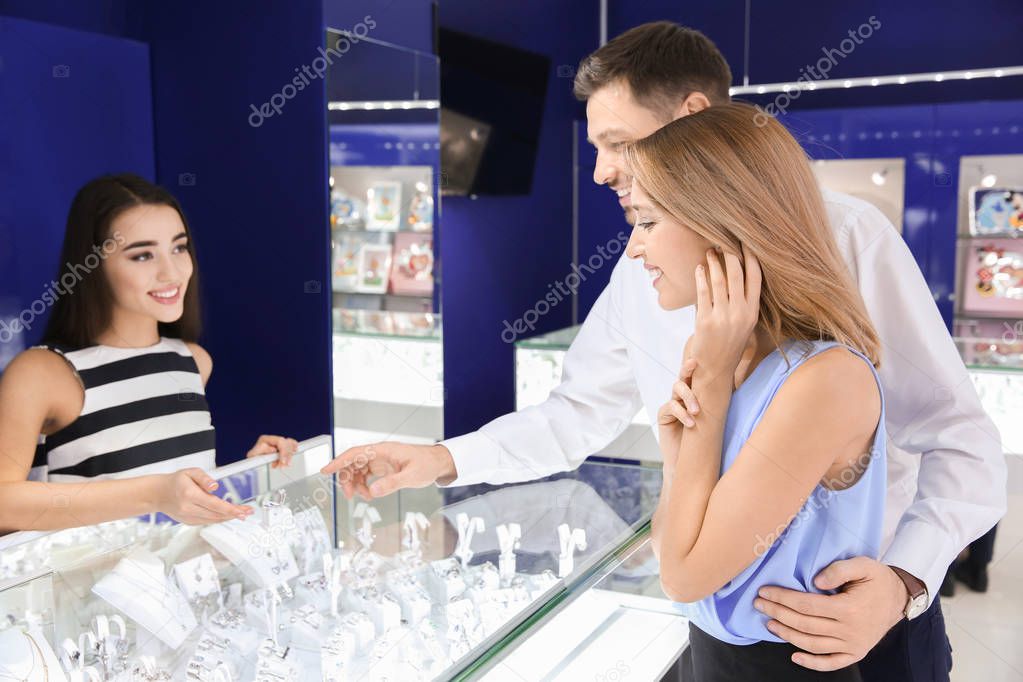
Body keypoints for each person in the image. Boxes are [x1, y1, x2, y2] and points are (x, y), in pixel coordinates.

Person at [322, 22, 1005, 680]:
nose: (598, 173)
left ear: (693, 118)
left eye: (615, 144)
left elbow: (958, 438)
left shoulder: (847, 241)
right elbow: (575, 416)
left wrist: (902, 583)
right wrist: (442, 458)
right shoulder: (638, 272)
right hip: (722, 626)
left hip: (856, 620)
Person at [629, 101, 884, 680]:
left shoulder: (827, 379)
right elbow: (669, 542)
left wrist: (711, 391)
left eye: (646, 222)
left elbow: (685, 576)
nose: (633, 248)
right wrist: (679, 448)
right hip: (708, 659)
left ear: (722, 220)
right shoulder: (737, 360)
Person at [0, 174, 298, 533]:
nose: (171, 272)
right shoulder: (43, 373)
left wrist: (248, 473)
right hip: (84, 588)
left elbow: (172, 506)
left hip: (180, 583)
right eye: (142, 255)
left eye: (179, 247)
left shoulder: (194, 362)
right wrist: (155, 494)